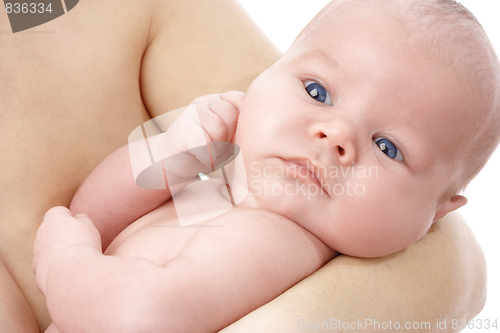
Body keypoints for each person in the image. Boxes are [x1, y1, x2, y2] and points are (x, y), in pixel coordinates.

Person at [0, 0, 487, 332]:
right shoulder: (230, 191)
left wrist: (65, 263)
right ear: (265, 74)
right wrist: (170, 155)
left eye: (388, 147)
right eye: (317, 92)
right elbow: (93, 217)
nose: (335, 136)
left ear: (439, 213)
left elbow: (139, 319)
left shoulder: (275, 244)